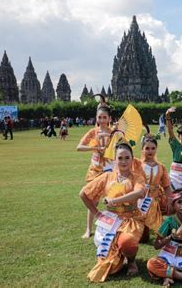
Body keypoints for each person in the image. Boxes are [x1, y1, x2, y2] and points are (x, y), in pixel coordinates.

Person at [79, 141, 146, 282]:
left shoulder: (137, 177)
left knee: (127, 242)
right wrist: (97, 213)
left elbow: (139, 193)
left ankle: (132, 261)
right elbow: (83, 194)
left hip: (131, 219)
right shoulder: (107, 177)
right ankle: (118, 257)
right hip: (110, 221)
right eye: (120, 158)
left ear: (132, 159)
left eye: (127, 158)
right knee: (112, 268)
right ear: (115, 160)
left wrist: (115, 200)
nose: (123, 161)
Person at [77, 95, 114, 238]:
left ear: (109, 119)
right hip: (96, 169)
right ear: (96, 118)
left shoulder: (114, 132)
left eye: (105, 117)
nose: (102, 120)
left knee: (113, 198)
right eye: (100, 117)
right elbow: (79, 147)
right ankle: (88, 229)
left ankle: (112, 226)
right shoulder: (93, 132)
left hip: (110, 169)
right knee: (93, 200)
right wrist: (95, 148)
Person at [139, 133, 172, 243]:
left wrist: (169, 199)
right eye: (147, 148)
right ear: (142, 149)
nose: (150, 151)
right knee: (143, 238)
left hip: (155, 200)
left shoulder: (161, 167)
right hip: (140, 200)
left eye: (153, 148)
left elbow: (167, 185)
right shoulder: (137, 165)